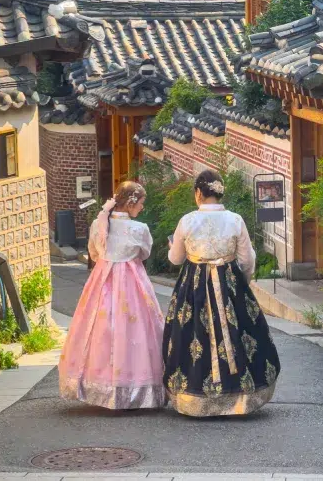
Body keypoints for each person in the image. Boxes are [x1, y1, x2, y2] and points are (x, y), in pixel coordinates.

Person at [163, 169, 280, 417]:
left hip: (194, 286)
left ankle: (194, 398)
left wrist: (174, 246)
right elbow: (247, 259)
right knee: (240, 335)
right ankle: (238, 398)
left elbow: (175, 259)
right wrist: (241, 284)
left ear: (198, 193)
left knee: (191, 336)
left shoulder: (187, 221)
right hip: (228, 282)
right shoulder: (235, 220)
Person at [59, 181, 166, 410]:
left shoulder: (99, 225)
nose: (142, 208)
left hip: (102, 278)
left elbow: (94, 253)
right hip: (133, 282)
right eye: (141, 204)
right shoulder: (139, 229)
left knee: (99, 328)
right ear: (131, 203)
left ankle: (98, 384)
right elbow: (145, 252)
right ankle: (138, 387)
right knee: (136, 328)